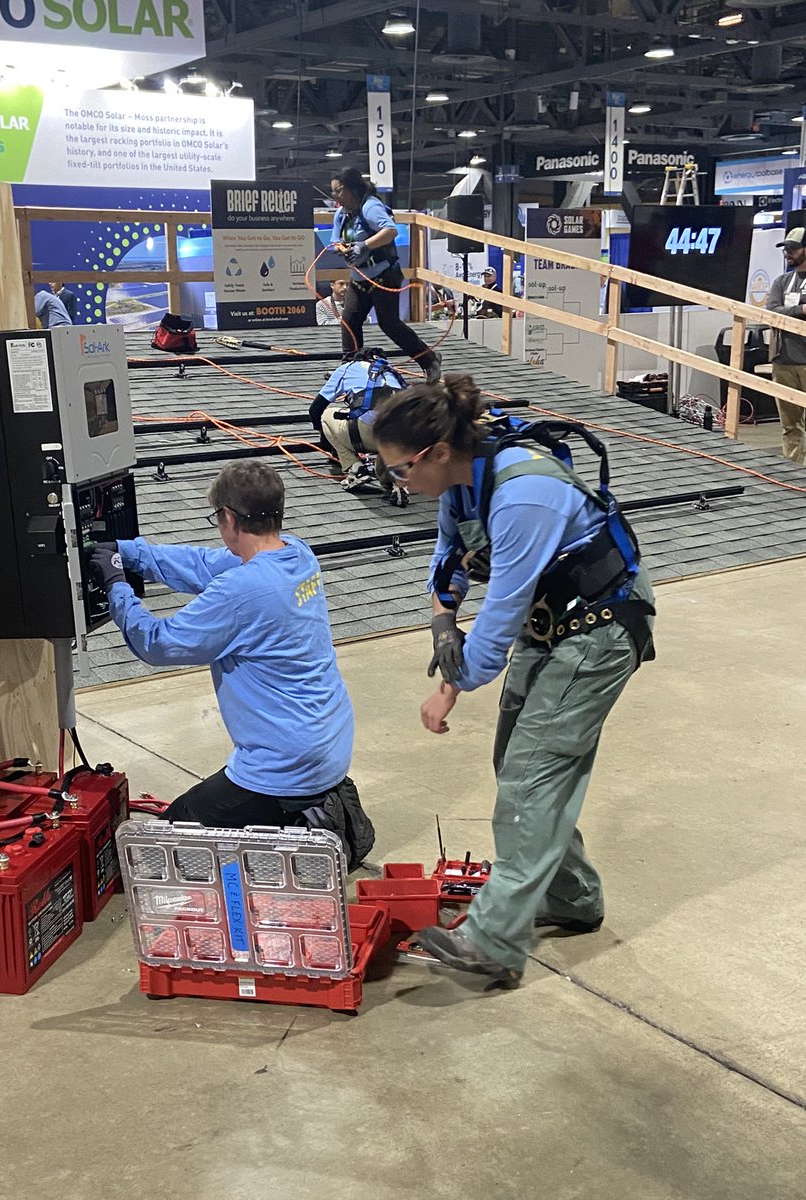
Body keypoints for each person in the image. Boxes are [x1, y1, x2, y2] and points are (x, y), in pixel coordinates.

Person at [372, 375, 656, 988]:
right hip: (550, 626)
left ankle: (494, 941)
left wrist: (456, 667)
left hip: (599, 630)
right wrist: (444, 632)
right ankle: (572, 898)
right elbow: (447, 567)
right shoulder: (459, 485)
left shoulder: (525, 494)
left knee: (533, 773)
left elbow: (495, 626)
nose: (396, 482)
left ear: (438, 452)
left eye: (399, 470)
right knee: (517, 763)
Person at [89, 461, 360, 838]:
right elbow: (204, 565)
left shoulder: (242, 590)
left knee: (168, 838)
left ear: (229, 517)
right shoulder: (297, 554)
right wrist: (131, 554)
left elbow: (158, 643)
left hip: (285, 766)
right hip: (329, 745)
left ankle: (286, 820)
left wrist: (118, 586)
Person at [331, 165, 441, 382]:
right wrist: (341, 249)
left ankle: (429, 360)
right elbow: (335, 240)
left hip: (384, 276)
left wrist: (364, 245)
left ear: (350, 189)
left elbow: (390, 230)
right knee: (350, 320)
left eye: (337, 190)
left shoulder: (370, 207)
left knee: (389, 323)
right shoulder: (342, 215)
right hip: (359, 279)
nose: (334, 196)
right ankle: (349, 369)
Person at [314, 351, 409, 503]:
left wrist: (327, 443)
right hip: (401, 440)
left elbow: (315, 410)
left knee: (326, 415)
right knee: (385, 464)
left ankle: (355, 467)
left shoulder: (348, 367)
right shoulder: (393, 373)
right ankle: (398, 482)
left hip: (364, 434)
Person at [766, 227, 806, 464]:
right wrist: (800, 310)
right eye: (786, 249)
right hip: (783, 361)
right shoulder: (781, 282)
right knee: (789, 424)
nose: (788, 253)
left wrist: (787, 312)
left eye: (793, 249)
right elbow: (771, 311)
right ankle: (793, 472)